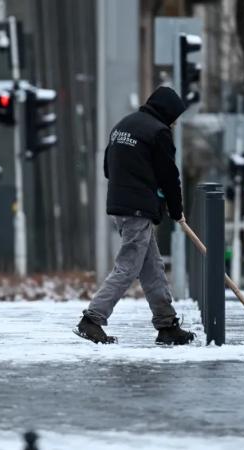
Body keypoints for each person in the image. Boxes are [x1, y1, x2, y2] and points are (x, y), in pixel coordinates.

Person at [74, 86, 196, 345]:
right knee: (128, 266)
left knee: (151, 267)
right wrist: (176, 210)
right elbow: (169, 176)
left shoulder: (123, 125)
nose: (174, 123)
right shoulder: (158, 132)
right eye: (174, 117)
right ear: (167, 112)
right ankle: (92, 319)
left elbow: (108, 168)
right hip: (138, 208)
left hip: (121, 204)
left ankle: (167, 325)